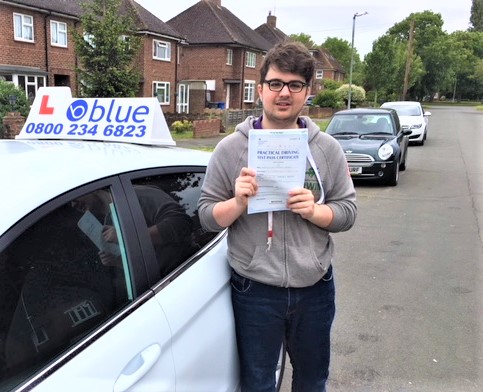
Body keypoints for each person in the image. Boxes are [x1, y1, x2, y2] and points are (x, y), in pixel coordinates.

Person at [198, 41, 357, 392]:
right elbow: (207, 217)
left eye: (295, 85)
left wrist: (315, 211)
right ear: (260, 89)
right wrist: (238, 202)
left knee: (313, 380)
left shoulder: (327, 149)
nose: (284, 93)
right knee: (257, 383)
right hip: (255, 289)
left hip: (315, 288)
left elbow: (347, 212)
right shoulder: (230, 149)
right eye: (276, 83)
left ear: (307, 92)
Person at [72, 185, 194, 276]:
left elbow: (181, 223)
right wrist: (118, 262)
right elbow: (145, 262)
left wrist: (126, 237)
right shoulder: (108, 223)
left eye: (74, 195)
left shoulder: (135, 196)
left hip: (187, 271)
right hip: (161, 283)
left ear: (93, 187)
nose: (73, 204)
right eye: (70, 203)